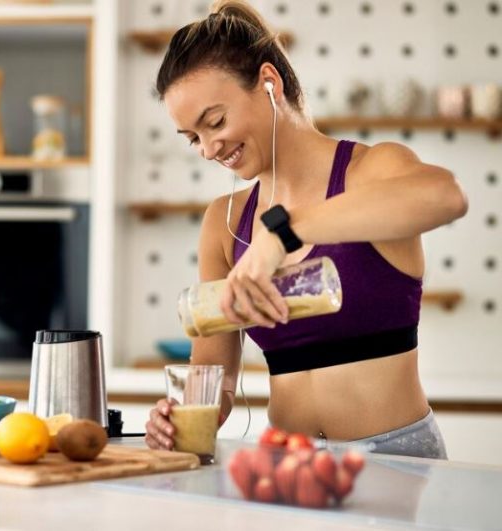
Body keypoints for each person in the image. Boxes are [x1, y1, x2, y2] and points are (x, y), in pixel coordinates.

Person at [144, 0, 468, 459]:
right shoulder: (226, 222)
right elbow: (215, 380)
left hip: (397, 460)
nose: (208, 148)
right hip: (286, 462)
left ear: (269, 82)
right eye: (193, 137)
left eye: (215, 121)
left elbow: (446, 196)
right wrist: (181, 416)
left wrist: (283, 234)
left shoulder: (369, 171)